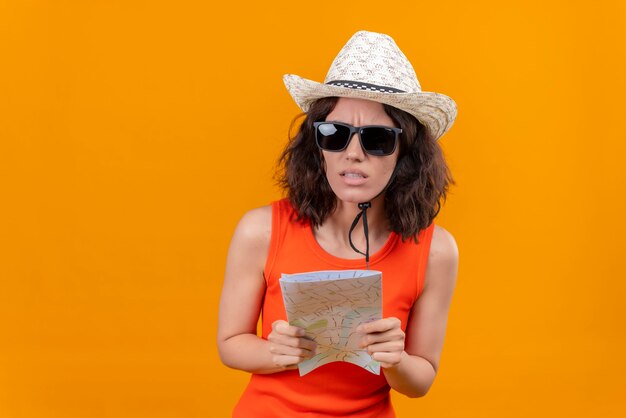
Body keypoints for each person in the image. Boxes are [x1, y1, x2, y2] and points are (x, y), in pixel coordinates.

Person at [217, 30, 459, 417]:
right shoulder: (260, 230)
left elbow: (422, 378)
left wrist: (396, 360)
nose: (353, 154)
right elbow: (230, 343)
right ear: (316, 145)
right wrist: (276, 352)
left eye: (377, 139)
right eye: (335, 134)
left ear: (406, 152)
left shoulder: (436, 251)